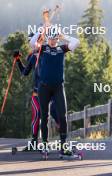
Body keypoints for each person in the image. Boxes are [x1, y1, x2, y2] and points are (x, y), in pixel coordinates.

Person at [30, 24, 80, 156]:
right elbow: (32, 43)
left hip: (58, 87)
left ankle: (64, 145)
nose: (52, 41)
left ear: (58, 38)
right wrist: (41, 31)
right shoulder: (43, 48)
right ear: (47, 38)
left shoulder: (61, 49)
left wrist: (64, 36)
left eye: (55, 38)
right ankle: (45, 144)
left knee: (62, 115)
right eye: (50, 38)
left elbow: (76, 42)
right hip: (44, 87)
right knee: (44, 116)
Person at [14, 34, 59, 151]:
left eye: (35, 41)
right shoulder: (32, 57)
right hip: (37, 93)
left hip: (51, 92)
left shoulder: (48, 53)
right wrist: (18, 60)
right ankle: (35, 142)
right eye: (30, 42)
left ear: (41, 41)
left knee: (55, 114)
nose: (32, 44)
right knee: (37, 116)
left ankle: (61, 142)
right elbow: (25, 72)